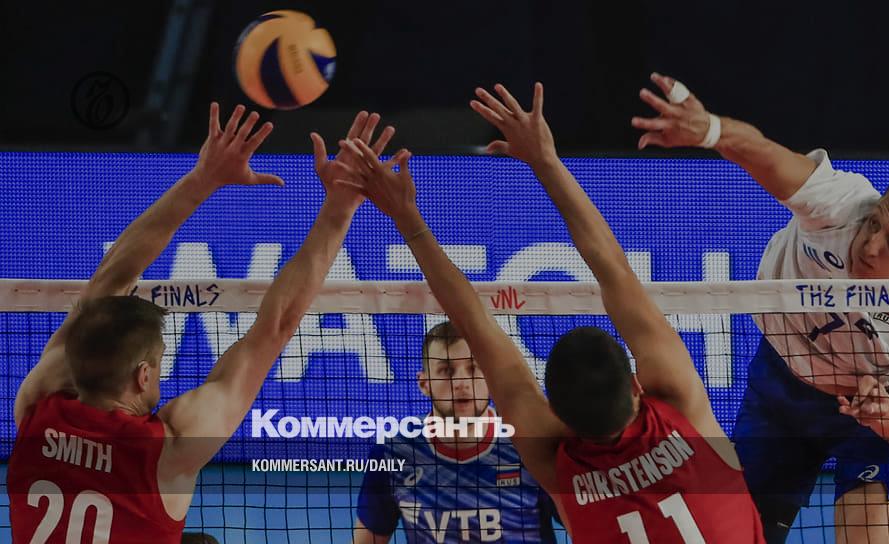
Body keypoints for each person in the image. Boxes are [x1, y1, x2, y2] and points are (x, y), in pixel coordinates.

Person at [338, 82, 764, 543]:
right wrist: (546, 160)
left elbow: (476, 325)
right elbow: (613, 268)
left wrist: (407, 217)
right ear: (636, 385)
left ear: (556, 412)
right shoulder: (684, 411)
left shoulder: (555, 466)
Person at [7, 105, 394, 543]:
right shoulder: (170, 449)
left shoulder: (36, 407)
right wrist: (340, 207)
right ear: (143, 375)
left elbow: (107, 282)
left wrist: (202, 179)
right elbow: (275, 326)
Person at [631, 72, 889, 543]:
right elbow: (765, 153)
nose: (870, 245)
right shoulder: (840, 205)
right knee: (737, 537)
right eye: (875, 224)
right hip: (783, 393)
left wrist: (882, 414)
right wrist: (709, 130)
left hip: (872, 409)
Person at [352, 320, 558, 543]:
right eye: (446, 371)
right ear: (424, 384)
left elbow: (579, 528)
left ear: (490, 377)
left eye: (473, 368)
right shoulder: (393, 452)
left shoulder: (529, 443)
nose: (461, 382)